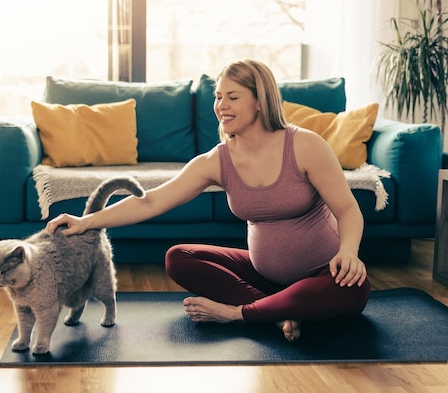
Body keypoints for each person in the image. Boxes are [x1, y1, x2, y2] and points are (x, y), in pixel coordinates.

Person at [46, 59, 371, 341]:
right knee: (179, 257)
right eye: (218, 97)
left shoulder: (305, 145)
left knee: (353, 290)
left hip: (324, 273)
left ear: (260, 101)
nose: (221, 106)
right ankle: (278, 310)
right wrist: (85, 222)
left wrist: (348, 252)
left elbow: (346, 209)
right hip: (265, 278)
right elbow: (151, 201)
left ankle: (238, 314)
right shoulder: (217, 160)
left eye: (232, 97)